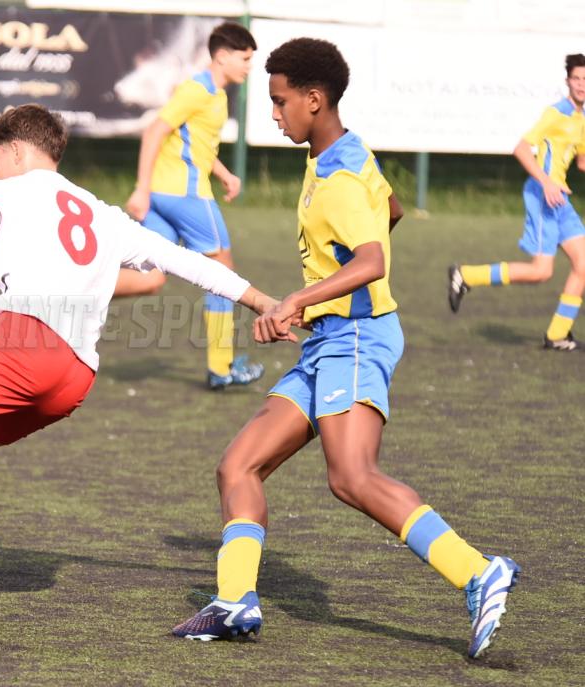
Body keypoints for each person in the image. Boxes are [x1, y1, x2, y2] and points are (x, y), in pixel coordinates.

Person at [0, 104, 281, 629]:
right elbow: (184, 262)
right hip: (73, 376)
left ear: (17, 151)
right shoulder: (102, 213)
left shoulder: (8, 190)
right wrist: (260, 300)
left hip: (21, 342)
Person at [171, 39, 520, 660]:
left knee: (352, 476)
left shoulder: (338, 176)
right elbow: (391, 210)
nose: (273, 113)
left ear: (314, 99)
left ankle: (477, 571)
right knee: (238, 466)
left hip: (357, 339)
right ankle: (234, 602)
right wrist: (319, 305)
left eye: (279, 101)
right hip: (332, 339)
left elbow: (372, 259)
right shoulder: (342, 152)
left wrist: (299, 301)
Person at [112, 22, 265, 390]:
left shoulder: (216, 93)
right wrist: (140, 188)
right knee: (223, 274)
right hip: (186, 196)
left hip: (165, 196)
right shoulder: (198, 89)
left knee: (150, 277)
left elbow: (197, 145)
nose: (249, 66)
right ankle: (221, 368)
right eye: (245, 59)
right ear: (223, 56)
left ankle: (76, 287)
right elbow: (155, 131)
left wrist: (224, 173)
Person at [449, 54, 585, 351]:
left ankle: (557, 334)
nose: (581, 85)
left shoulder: (581, 118)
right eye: (576, 79)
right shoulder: (556, 113)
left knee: (583, 264)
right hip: (543, 196)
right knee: (541, 272)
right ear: (567, 81)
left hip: (561, 200)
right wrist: (546, 182)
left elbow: (582, 162)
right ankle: (466, 275)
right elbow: (521, 149)